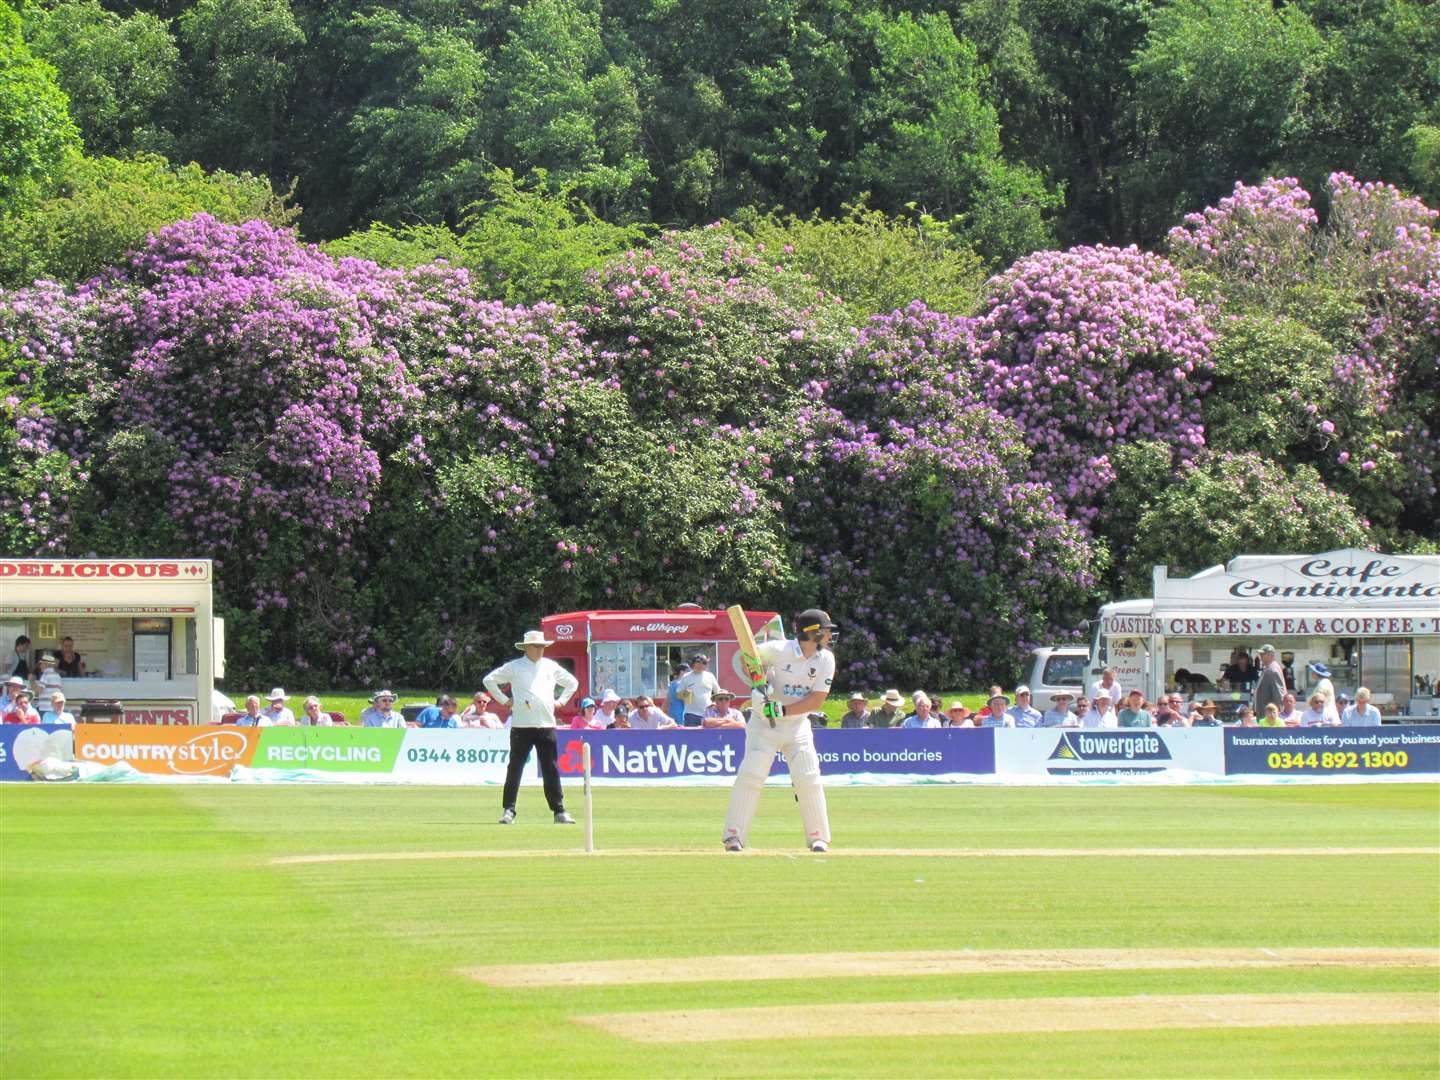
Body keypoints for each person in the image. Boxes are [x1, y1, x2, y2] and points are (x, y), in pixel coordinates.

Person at [723, 608, 837, 853]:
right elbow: (745, 656)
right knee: (751, 775)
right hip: (763, 726)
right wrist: (758, 680)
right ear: (811, 633)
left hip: (797, 726)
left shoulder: (826, 659)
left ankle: (818, 837)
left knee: (808, 778)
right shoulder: (778, 649)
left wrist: (783, 711)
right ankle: (734, 836)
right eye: (825, 630)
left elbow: (816, 700)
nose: (829, 635)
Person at [484, 629, 580, 825]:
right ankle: (508, 810)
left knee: (550, 769)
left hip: (546, 725)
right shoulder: (515, 667)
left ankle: (559, 811)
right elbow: (489, 680)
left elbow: (572, 682)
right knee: (515, 767)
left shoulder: (550, 666)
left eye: (542, 646)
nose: (540, 649)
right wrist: (504, 700)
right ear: (527, 647)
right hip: (521, 726)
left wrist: (561, 701)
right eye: (536, 646)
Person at [676, 653, 721, 727]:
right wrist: (686, 694)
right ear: (694, 663)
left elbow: (718, 692)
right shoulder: (686, 677)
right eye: (699, 662)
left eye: (705, 663)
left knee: (708, 737)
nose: (702, 664)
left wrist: (714, 703)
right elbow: (678, 694)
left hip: (708, 714)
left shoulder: (710, 676)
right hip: (691, 714)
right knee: (691, 737)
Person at [1253, 644, 1286, 717]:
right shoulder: (1268, 668)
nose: (1260, 656)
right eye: (1260, 654)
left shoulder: (1272, 670)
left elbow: (1278, 694)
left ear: (1271, 655)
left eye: (1263, 654)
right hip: (1265, 714)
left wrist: (1277, 714)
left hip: (1270, 716)